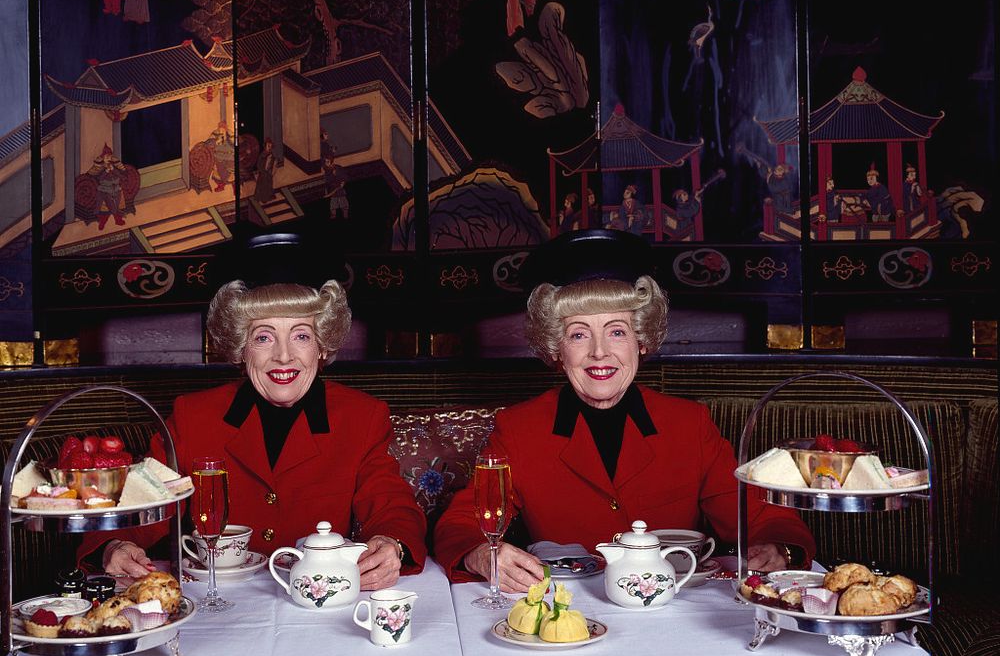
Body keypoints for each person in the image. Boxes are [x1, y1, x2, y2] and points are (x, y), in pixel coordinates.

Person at [433, 229, 815, 591]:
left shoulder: (689, 424)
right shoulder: (518, 429)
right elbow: (462, 523)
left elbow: (763, 520)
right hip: (567, 612)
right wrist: (483, 555)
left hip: (673, 612)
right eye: (578, 334)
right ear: (555, 348)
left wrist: (778, 548)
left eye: (616, 331)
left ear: (641, 341)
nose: (599, 352)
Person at [82, 231, 427, 590]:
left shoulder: (362, 417)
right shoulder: (192, 417)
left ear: (322, 347)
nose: (283, 356)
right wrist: (114, 545)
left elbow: (391, 504)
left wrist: (392, 543)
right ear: (241, 348)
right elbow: (138, 505)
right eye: (263, 337)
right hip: (220, 606)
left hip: (320, 608)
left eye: (301, 336)